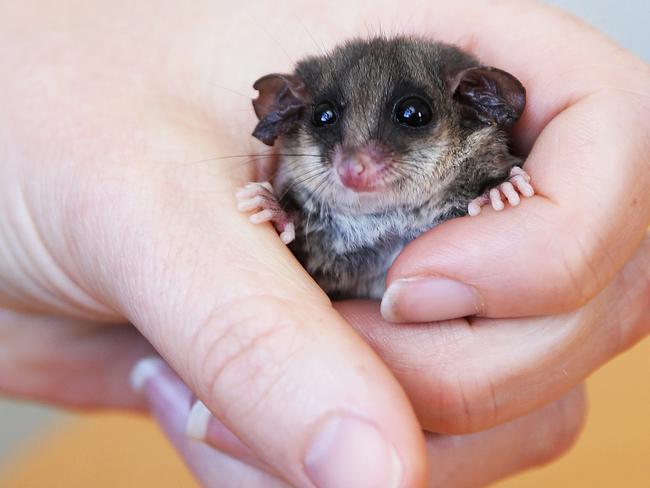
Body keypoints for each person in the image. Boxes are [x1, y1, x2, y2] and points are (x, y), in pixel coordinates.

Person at [0, 0, 648, 486]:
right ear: (292, 117)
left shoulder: (481, 162)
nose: (355, 162)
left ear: (471, 106)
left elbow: (508, 188)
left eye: (411, 116)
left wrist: (502, 190)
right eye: (328, 119)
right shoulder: (298, 193)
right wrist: (276, 217)